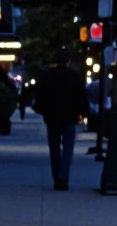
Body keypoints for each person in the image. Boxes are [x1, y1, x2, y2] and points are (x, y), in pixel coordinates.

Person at [33, 48, 90, 190]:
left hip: (52, 117)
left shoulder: (47, 76)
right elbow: (81, 96)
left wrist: (43, 110)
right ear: (69, 61)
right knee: (68, 148)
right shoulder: (74, 76)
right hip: (69, 116)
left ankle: (56, 177)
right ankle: (63, 177)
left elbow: (39, 96)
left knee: (54, 148)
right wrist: (83, 113)